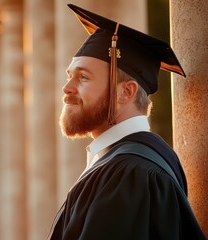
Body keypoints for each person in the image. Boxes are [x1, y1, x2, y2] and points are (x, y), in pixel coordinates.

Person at [48, 4, 207, 240]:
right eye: (70, 76)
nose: (67, 88)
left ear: (126, 92)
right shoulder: (132, 162)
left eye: (83, 77)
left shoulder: (129, 174)